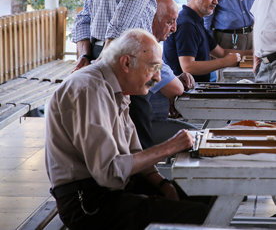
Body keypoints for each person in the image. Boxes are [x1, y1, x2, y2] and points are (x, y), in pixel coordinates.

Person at [45, 29, 209, 230]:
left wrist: (163, 185)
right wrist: (168, 148)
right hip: (87, 203)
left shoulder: (117, 88)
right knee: (200, 216)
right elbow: (109, 171)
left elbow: (134, 153)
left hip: (111, 190)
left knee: (205, 198)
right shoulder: (90, 89)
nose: (158, 78)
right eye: (153, 67)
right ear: (126, 63)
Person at [71, 0, 184, 149]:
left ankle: (121, 177)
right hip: (122, 60)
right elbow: (123, 23)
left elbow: (83, 18)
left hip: (98, 53)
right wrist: (103, 64)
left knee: (110, 129)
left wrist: (86, 55)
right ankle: (143, 179)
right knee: (137, 128)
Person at [164, 0, 252, 82]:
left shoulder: (196, 20)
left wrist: (254, 53)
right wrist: (225, 62)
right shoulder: (187, 24)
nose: (216, 2)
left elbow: (222, 52)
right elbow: (188, 67)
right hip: (184, 93)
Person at [148, 0, 197, 144]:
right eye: (170, 22)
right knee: (198, 138)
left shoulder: (154, 46)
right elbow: (176, 89)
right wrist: (172, 85)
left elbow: (170, 85)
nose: (174, 29)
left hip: (155, 120)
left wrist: (171, 82)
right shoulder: (146, 49)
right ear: (152, 20)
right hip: (143, 127)